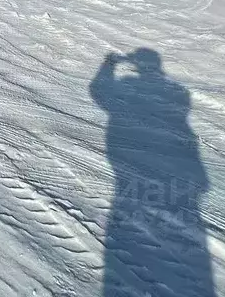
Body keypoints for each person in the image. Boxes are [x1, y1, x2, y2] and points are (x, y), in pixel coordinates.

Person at [90, 49, 215, 296]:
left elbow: (100, 93)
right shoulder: (177, 91)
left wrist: (108, 64)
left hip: (133, 162)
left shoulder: (135, 87)